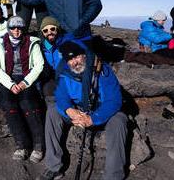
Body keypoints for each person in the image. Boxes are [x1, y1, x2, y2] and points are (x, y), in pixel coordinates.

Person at [37, 41, 127, 180]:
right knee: (53, 111)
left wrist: (93, 118)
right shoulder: (65, 73)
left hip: (100, 111)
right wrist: (69, 110)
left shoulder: (102, 70)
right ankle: (53, 167)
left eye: (77, 57)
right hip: (78, 110)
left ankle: (113, 176)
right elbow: (61, 96)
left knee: (119, 120)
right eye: (70, 59)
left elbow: (114, 100)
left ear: (84, 55)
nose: (75, 62)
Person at [0, 16, 45, 162]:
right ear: (8, 29)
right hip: (7, 78)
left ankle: (38, 145)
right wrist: (11, 84)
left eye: (19, 28)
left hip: (26, 78)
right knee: (9, 105)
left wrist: (25, 83)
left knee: (29, 104)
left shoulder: (32, 43)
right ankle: (22, 145)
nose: (16, 30)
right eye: (13, 27)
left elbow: (39, 65)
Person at [39, 16, 63, 101]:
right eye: (45, 30)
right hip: (49, 80)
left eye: (52, 29)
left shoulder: (65, 45)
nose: (49, 32)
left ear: (58, 29)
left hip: (65, 77)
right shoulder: (40, 48)